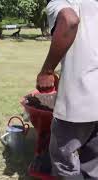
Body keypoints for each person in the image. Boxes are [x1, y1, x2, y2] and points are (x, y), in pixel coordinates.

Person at [36, 0, 98, 179]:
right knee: (93, 164)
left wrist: (47, 70)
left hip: (78, 101)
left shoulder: (59, 2)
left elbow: (69, 20)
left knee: (65, 164)